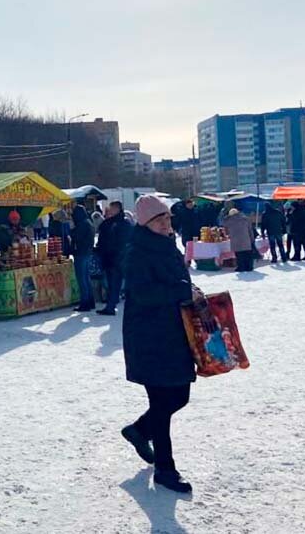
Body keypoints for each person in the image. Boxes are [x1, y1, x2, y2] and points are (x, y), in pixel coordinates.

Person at [119, 195, 199, 494]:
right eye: (159, 219)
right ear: (146, 224)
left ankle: (139, 430)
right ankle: (165, 469)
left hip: (174, 333)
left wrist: (190, 290)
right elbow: (144, 295)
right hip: (149, 337)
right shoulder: (137, 252)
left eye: (167, 217)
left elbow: (177, 283)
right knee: (162, 404)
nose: (166, 223)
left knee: (180, 396)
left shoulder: (168, 244)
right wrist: (180, 291)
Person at [95, 200, 132, 315]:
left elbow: (110, 242)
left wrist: (103, 250)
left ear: (117, 209)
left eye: (111, 208)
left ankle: (111, 306)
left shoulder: (114, 224)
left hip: (114, 258)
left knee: (113, 283)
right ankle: (113, 303)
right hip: (119, 257)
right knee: (117, 283)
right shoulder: (123, 223)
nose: (109, 211)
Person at [70, 205, 97, 312]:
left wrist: (71, 229)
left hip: (80, 253)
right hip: (87, 252)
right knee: (87, 278)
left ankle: (85, 303)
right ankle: (91, 301)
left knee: (82, 279)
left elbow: (76, 236)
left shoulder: (81, 224)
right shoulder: (88, 222)